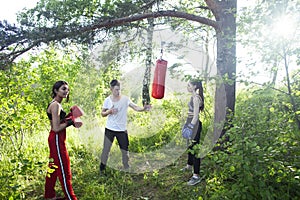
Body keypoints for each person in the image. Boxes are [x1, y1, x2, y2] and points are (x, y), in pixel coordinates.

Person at [99, 79, 151, 174]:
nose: (118, 92)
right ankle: (102, 169)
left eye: (119, 89)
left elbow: (135, 107)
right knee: (106, 150)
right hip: (110, 129)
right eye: (116, 90)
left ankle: (126, 167)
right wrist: (109, 111)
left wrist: (143, 108)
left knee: (125, 150)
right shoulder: (107, 100)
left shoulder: (125, 99)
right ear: (111, 89)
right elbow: (102, 114)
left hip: (122, 130)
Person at [44, 80, 77, 200]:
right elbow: (56, 127)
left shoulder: (56, 104)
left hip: (56, 139)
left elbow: (58, 122)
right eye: (63, 89)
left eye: (67, 89)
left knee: (53, 167)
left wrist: (70, 115)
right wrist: (71, 121)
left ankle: (49, 196)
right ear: (55, 90)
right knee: (64, 169)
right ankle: (71, 197)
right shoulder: (56, 105)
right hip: (56, 139)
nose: (66, 92)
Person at [181, 80, 204, 186]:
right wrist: (186, 124)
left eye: (189, 85)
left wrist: (190, 127)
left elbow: (196, 116)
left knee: (195, 150)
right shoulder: (193, 97)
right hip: (190, 122)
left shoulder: (196, 98)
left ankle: (196, 176)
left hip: (194, 125)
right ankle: (189, 166)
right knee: (190, 146)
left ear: (195, 86)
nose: (187, 87)